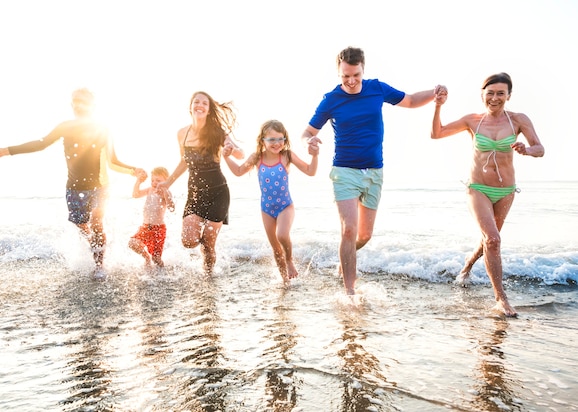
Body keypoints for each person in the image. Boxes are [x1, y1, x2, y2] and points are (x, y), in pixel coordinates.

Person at [301, 46, 444, 296]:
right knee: (348, 229)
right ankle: (349, 292)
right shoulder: (331, 99)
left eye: (356, 75)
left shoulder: (377, 88)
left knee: (364, 235)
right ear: (339, 73)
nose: (351, 81)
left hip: (374, 172)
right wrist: (308, 143)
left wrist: (434, 94)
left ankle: (344, 262)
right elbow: (308, 131)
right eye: (345, 76)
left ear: (363, 69)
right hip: (344, 170)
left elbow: (409, 100)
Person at [0, 88, 145, 279]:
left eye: (84, 101)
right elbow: (41, 143)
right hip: (74, 188)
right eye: (76, 101)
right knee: (81, 225)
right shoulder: (65, 127)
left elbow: (112, 161)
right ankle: (96, 245)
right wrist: (6, 151)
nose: (79, 104)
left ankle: (99, 265)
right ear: (72, 105)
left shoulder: (102, 128)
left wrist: (133, 170)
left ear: (93, 106)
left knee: (96, 221)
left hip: (100, 186)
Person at [431, 72, 544, 317]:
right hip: (478, 188)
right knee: (493, 240)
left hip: (505, 191)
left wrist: (527, 149)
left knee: (489, 241)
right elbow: (437, 133)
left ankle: (468, 265)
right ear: (482, 95)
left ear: (509, 96)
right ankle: (501, 300)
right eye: (490, 93)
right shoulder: (473, 121)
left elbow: (540, 149)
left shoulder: (518, 120)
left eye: (500, 93)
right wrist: (438, 106)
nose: (495, 98)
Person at [223, 119, 319, 285]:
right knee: (275, 249)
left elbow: (310, 171)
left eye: (280, 139)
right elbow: (238, 172)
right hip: (266, 209)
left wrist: (315, 156)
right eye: (272, 139)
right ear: (263, 141)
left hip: (285, 206)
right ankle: (285, 282)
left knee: (281, 235)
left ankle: (289, 260)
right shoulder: (256, 158)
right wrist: (226, 158)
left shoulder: (286, 156)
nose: (277, 143)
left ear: (285, 140)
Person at [162, 91, 244, 275]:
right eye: (196, 102)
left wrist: (231, 150)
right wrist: (168, 182)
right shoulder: (182, 133)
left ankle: (208, 275)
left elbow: (240, 154)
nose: (200, 105)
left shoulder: (217, 131)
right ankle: (206, 250)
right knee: (188, 241)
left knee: (208, 244)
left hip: (218, 193)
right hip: (195, 193)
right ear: (190, 107)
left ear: (208, 110)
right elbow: (184, 161)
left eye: (204, 103)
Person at [128, 166, 175, 268]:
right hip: (145, 227)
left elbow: (171, 208)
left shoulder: (165, 193)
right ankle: (146, 258)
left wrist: (165, 192)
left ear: (166, 181)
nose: (154, 182)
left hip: (158, 229)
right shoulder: (149, 190)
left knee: (156, 259)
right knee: (132, 243)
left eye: (158, 180)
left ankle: (162, 272)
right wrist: (138, 182)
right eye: (152, 180)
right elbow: (135, 194)